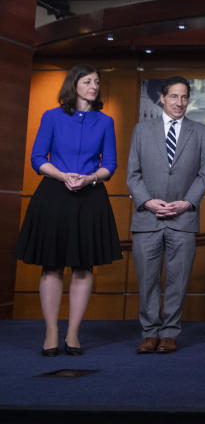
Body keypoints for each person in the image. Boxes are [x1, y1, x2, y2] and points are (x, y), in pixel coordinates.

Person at [15, 65, 122, 356]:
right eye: (88, 81)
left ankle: (73, 333)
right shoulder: (51, 117)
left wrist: (88, 178)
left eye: (97, 82)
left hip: (90, 196)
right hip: (54, 194)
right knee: (51, 265)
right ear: (74, 85)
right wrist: (63, 176)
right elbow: (38, 158)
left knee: (83, 267)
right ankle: (51, 333)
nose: (94, 86)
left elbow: (109, 165)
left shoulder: (105, 121)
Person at [127, 76, 205, 354]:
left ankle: (170, 333)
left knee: (178, 279)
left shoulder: (200, 131)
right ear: (162, 98)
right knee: (148, 279)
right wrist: (148, 201)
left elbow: (203, 175)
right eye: (174, 96)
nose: (180, 102)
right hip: (147, 218)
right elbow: (133, 175)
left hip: (183, 218)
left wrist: (187, 203)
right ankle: (150, 332)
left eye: (185, 97)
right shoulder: (142, 129)